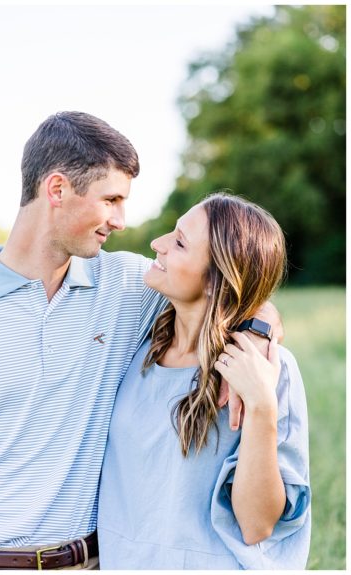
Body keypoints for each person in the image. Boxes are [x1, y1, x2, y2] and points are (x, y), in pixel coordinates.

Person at [0, 112, 277, 570]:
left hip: (95, 561)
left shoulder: (130, 285)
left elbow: (234, 287)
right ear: (57, 190)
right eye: (110, 199)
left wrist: (258, 334)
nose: (121, 220)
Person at [97, 193, 310, 569]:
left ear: (215, 281)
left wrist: (261, 406)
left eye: (179, 242)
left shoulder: (266, 369)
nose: (156, 244)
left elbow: (257, 525)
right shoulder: (135, 344)